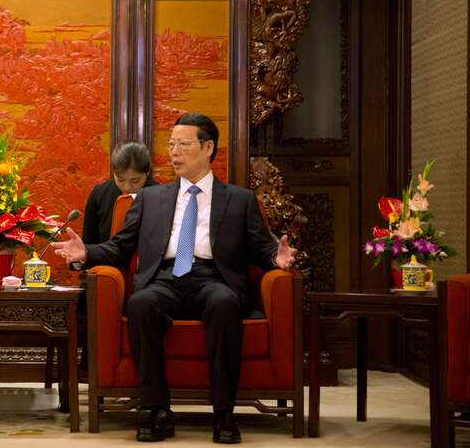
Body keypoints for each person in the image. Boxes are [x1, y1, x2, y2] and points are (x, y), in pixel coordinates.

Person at [52, 113, 296, 444]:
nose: (174, 152)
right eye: (171, 144)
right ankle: (157, 411)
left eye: (183, 144)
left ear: (208, 147)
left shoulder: (239, 199)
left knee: (225, 304)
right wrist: (87, 254)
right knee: (141, 305)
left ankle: (224, 414)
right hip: (165, 277)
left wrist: (275, 258)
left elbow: (261, 247)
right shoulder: (152, 199)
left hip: (213, 278)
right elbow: (121, 247)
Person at [82, 141, 157, 247]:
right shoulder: (99, 194)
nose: (127, 187)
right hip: (105, 261)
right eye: (120, 180)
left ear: (147, 172)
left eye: (135, 181)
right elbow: (89, 243)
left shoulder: (161, 196)